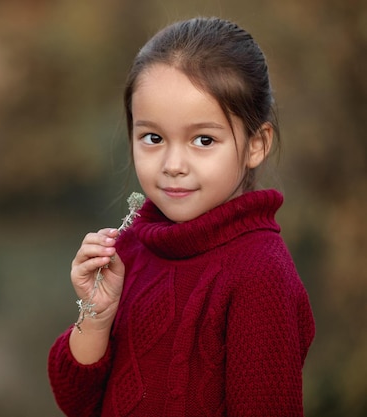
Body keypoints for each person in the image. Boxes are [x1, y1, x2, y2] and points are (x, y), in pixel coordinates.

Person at [47, 17, 316, 417]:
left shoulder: (259, 274)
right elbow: (77, 403)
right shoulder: (131, 245)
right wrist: (97, 315)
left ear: (256, 144)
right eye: (152, 138)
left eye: (203, 140)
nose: (173, 164)